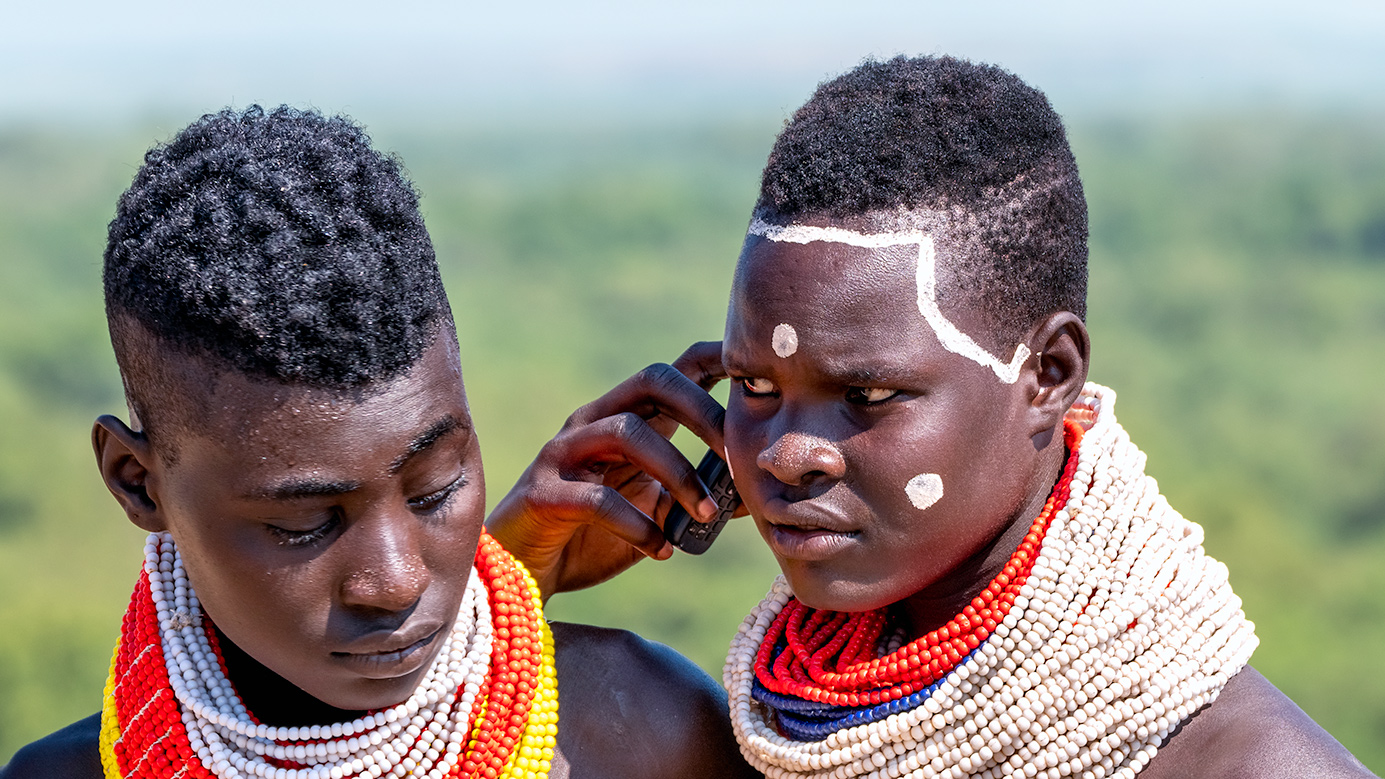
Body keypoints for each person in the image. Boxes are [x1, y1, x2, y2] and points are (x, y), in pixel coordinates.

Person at [489, 56, 1376, 778]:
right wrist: (499, 581)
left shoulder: (1242, 766)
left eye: (868, 396)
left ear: (1047, 374)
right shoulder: (671, 726)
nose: (789, 452)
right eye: (755, 386)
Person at [0, 106, 757, 779]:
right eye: (304, 523)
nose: (394, 582)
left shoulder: (638, 734)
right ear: (137, 481)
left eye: (434, 488)